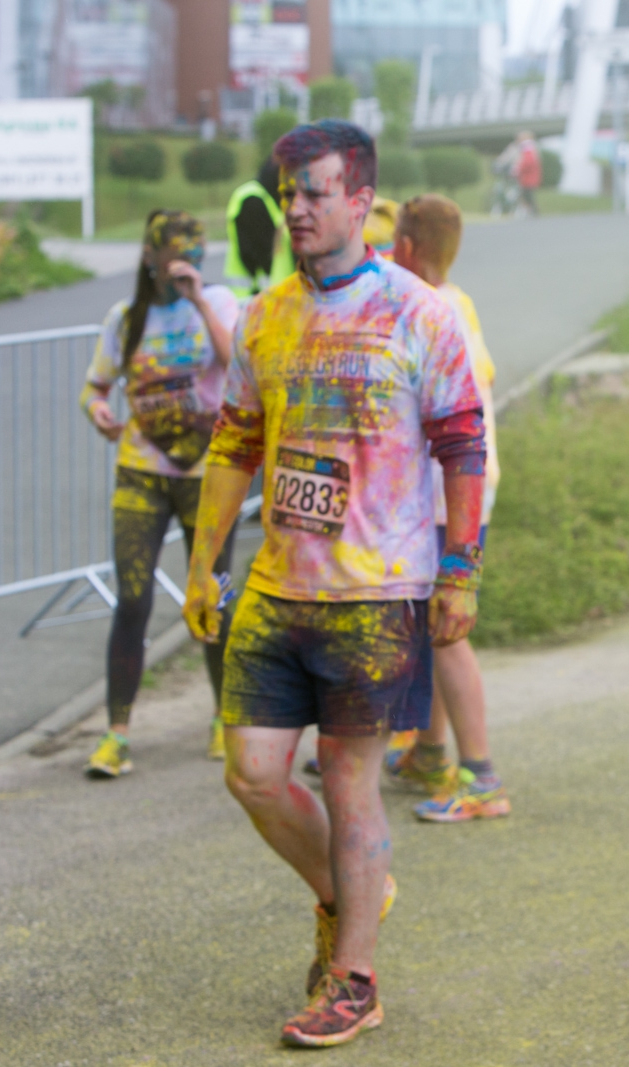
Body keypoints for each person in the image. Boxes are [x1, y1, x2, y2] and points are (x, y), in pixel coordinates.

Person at [182, 119, 486, 1048]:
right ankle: (349, 889)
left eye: (315, 192)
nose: (298, 209)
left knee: (350, 778)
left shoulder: (419, 311)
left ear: (362, 199)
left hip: (377, 588)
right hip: (278, 587)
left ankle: (354, 975)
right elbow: (235, 440)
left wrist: (460, 571)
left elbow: (462, 444)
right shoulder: (266, 316)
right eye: (288, 194)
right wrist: (203, 560)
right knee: (254, 772)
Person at [80, 209, 240, 777]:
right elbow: (96, 386)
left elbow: (236, 364)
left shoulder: (219, 304)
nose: (184, 266)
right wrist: (99, 409)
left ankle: (225, 718)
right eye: (173, 256)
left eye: (193, 256)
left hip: (208, 478)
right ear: (150, 258)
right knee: (133, 600)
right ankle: (116, 734)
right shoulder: (126, 318)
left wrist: (196, 300)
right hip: (141, 472)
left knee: (211, 599)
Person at [383, 192, 510, 823]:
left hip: (442, 495)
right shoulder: (456, 301)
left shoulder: (423, 310)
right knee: (437, 627)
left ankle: (481, 777)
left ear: (405, 248)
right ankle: (431, 750)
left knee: (448, 630)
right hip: (465, 488)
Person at [225, 160, 294, 294]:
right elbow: (257, 252)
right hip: (254, 296)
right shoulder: (253, 200)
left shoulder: (271, 199)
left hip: (273, 296)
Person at [514, 131, 542, 216]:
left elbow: (528, 161)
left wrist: (518, 168)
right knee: (526, 193)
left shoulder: (527, 148)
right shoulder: (531, 147)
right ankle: (530, 210)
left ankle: (531, 210)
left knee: (527, 194)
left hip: (528, 175)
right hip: (528, 175)